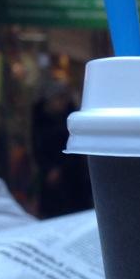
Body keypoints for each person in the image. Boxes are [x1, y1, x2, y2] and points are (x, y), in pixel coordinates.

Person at [32, 79, 92, 219]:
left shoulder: (71, 117)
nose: (61, 102)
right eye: (58, 98)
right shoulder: (40, 119)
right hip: (50, 178)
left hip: (72, 177)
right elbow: (37, 146)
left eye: (63, 98)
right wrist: (48, 168)